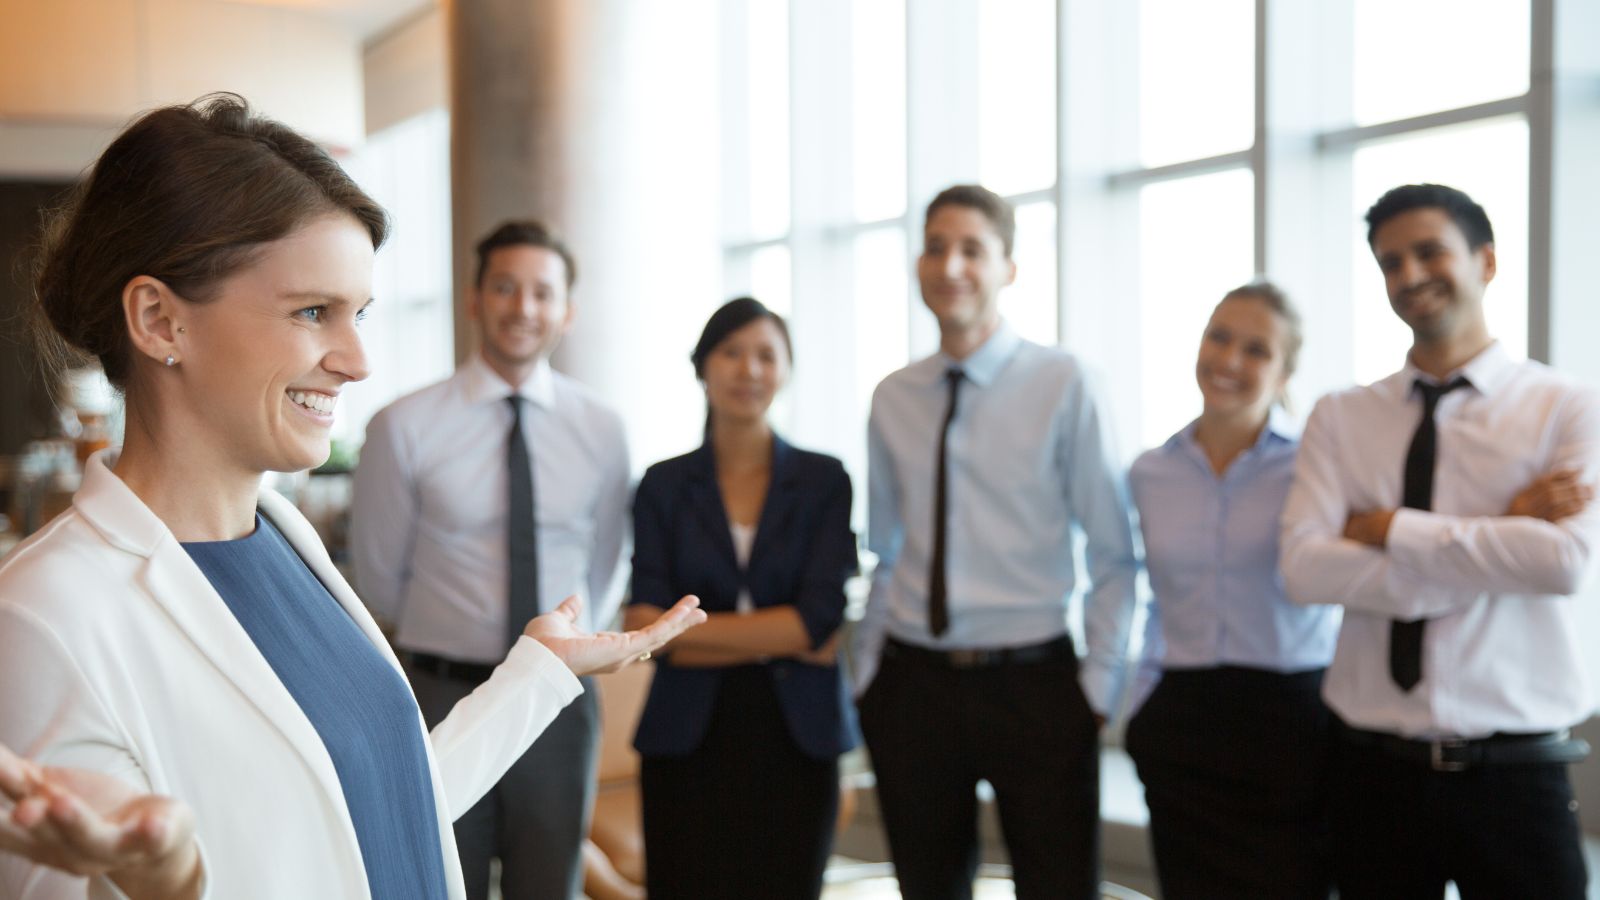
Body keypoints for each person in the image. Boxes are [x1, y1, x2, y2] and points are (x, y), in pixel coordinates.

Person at [0, 94, 703, 900]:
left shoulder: (283, 538)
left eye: (359, 313)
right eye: (312, 312)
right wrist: (165, 881)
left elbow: (369, 813)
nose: (358, 359)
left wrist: (537, 671)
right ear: (160, 321)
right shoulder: (43, 616)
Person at [1280, 183, 1597, 899]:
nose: (1410, 276)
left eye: (1429, 252)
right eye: (1391, 262)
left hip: (1517, 773)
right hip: (1371, 771)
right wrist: (1501, 533)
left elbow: (1564, 562)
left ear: (1485, 261)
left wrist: (1391, 529)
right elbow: (1304, 571)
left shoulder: (1567, 406)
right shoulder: (1341, 416)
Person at [854, 184, 1138, 900]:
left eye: (972, 249)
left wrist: (1097, 688)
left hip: (1035, 685)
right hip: (913, 685)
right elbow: (886, 550)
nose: (951, 265)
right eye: (935, 246)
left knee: (1057, 886)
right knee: (927, 886)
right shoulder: (893, 397)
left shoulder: (1065, 382)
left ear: (1008, 267)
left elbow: (1113, 550)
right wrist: (868, 677)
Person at [351, 218, 630, 900]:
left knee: (550, 884)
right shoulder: (404, 424)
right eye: (504, 288)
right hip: (442, 693)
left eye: (542, 292)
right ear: (474, 299)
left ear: (566, 309)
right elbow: (379, 576)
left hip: (559, 703)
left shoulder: (601, 427)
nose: (522, 308)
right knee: (443, 881)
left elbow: (607, 561)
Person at [623, 297, 858, 900]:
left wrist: (686, 637)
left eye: (765, 356)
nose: (748, 370)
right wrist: (775, 638)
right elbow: (645, 623)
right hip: (687, 737)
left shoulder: (825, 480)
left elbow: (816, 624)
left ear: (786, 370)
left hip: (798, 737)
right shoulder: (664, 485)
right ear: (703, 367)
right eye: (731, 353)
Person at [1122, 282, 1339, 899]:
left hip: (1290, 720)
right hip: (1180, 717)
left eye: (1256, 349)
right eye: (1219, 337)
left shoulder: (1315, 466)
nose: (1230, 361)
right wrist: (1139, 706)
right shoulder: (1150, 470)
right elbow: (1136, 590)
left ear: (1285, 370)